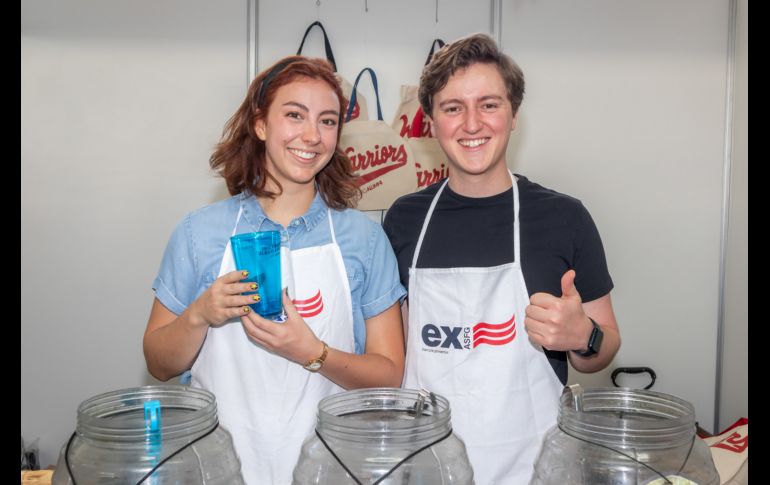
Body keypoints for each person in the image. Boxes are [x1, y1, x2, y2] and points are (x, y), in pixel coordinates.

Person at [143, 55, 406, 485]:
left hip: (332, 470)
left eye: (327, 121)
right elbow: (158, 362)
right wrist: (199, 314)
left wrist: (313, 353)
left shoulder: (363, 240)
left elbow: (389, 376)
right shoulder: (199, 233)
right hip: (219, 471)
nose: (311, 135)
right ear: (261, 124)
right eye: (294, 115)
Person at [383, 34, 621, 484]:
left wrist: (582, 336)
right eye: (453, 107)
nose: (472, 123)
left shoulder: (563, 217)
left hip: (532, 466)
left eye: (489, 104)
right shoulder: (404, 219)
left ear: (513, 115)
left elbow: (604, 348)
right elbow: (396, 351)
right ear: (432, 121)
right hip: (427, 464)